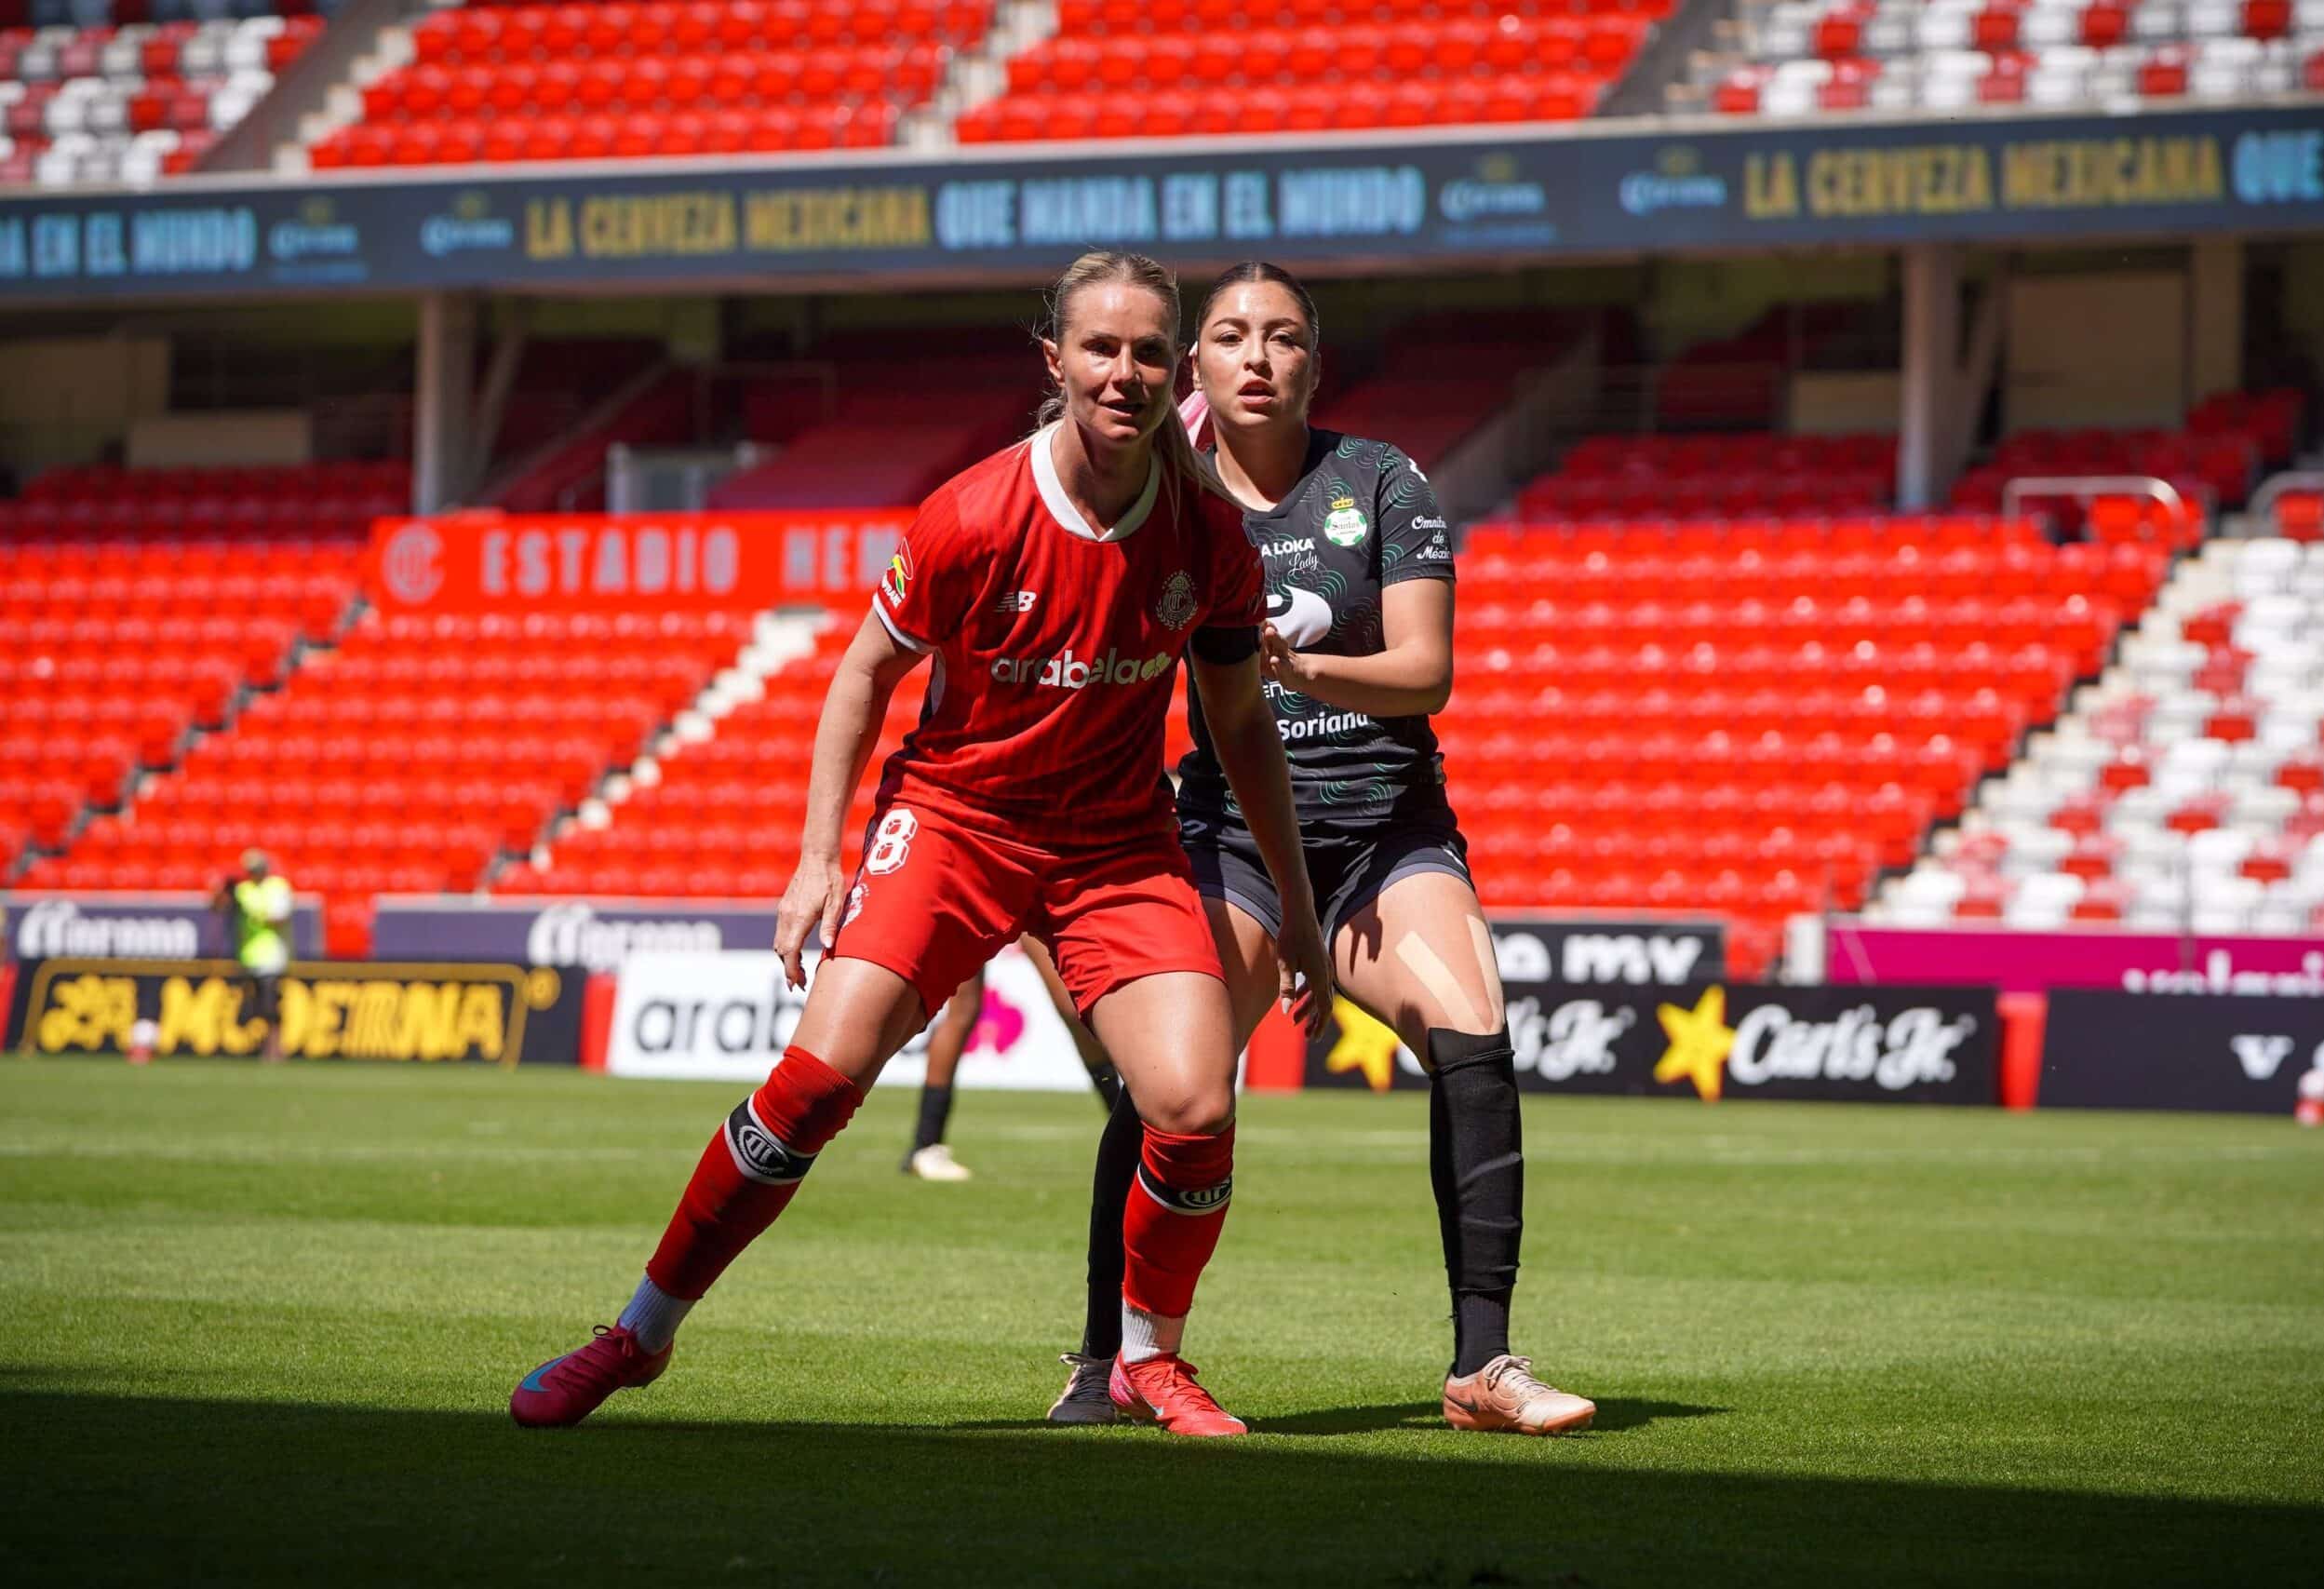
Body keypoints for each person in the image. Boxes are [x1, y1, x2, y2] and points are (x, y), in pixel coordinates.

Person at [510, 251, 1333, 1439]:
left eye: (1151, 352)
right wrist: (817, 858)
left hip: (1115, 844)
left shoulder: (1205, 534)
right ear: (1054, 362)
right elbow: (861, 676)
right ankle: (637, 1336)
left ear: (1175, 369)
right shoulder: (970, 514)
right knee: (817, 1080)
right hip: (957, 822)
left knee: (1194, 1100)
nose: (1127, 373)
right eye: (1101, 349)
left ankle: (1146, 1362)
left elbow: (1241, 723)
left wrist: (1296, 908)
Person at [1049, 263, 1595, 1436]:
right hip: (1232, 841)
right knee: (1171, 1084)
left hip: (1383, 837)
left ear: (1313, 362)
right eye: (1231, 337)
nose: (1257, 357)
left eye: (1283, 338)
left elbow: (1424, 673)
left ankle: (1482, 1365)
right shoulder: (1163, 498)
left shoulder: (1383, 478)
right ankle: (1109, 1358)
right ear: (1193, 364)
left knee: (1476, 1035)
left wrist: (1283, 665)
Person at [903, 936, 1122, 1182]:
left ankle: (1127, 1134)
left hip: (1030, 896)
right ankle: (926, 1145)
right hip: (978, 898)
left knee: (1073, 1006)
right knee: (963, 1010)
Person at [215, 849, 292, 1063]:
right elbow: (216, 907)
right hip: (248, 957)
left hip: (271, 957)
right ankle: (263, 1045)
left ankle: (275, 1047)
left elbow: (279, 918)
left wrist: (254, 913)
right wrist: (221, 889)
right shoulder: (243, 890)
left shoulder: (276, 888)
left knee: (270, 1005)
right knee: (255, 1006)